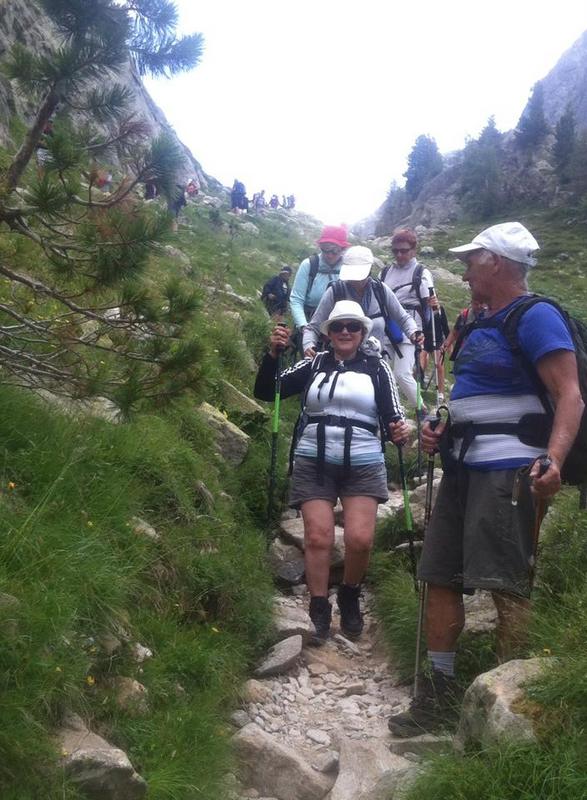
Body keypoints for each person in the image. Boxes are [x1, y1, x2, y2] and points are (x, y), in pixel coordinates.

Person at [388, 221, 584, 738]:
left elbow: (570, 395)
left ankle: (503, 708)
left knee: (505, 583)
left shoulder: (536, 316)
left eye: (471, 260)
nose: (464, 270)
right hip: (462, 465)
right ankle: (437, 696)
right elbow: (469, 392)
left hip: (509, 469)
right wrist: (442, 424)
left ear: (496, 262)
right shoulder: (476, 320)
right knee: (440, 576)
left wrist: (554, 460)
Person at [254, 301, 409, 644]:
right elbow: (268, 390)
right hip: (313, 460)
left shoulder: (378, 368)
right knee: (318, 537)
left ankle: (350, 593)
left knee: (360, 539)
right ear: (328, 333)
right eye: (338, 326)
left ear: (362, 332)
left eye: (353, 326)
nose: (345, 332)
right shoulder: (313, 363)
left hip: (363, 462)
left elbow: (393, 416)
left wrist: (399, 430)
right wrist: (272, 355)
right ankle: (319, 605)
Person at [303, 245, 421, 360]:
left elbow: (403, 318)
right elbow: (313, 327)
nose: (354, 279)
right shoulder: (335, 292)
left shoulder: (380, 290)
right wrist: (308, 345)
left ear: (370, 270)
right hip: (340, 364)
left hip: (375, 363)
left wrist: (414, 333)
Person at [380, 230, 438, 407]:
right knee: (381, 373)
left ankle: (421, 409)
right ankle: (391, 412)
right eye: (395, 250)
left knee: (402, 374)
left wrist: (434, 307)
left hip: (410, 329)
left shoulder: (421, 273)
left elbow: (431, 305)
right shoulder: (385, 272)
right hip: (387, 327)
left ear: (414, 250)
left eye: (404, 250)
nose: (399, 254)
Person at [289, 225, 350, 348]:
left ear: (342, 249)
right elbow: (296, 299)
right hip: (309, 321)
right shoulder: (309, 265)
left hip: (339, 325)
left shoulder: (348, 268)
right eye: (325, 250)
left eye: (334, 251)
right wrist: (304, 327)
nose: (329, 255)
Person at [420, 303, 450, 401]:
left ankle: (441, 392)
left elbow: (445, 326)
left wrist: (447, 343)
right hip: (424, 340)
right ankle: (417, 385)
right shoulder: (422, 308)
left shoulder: (440, 309)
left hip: (437, 341)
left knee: (439, 366)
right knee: (420, 364)